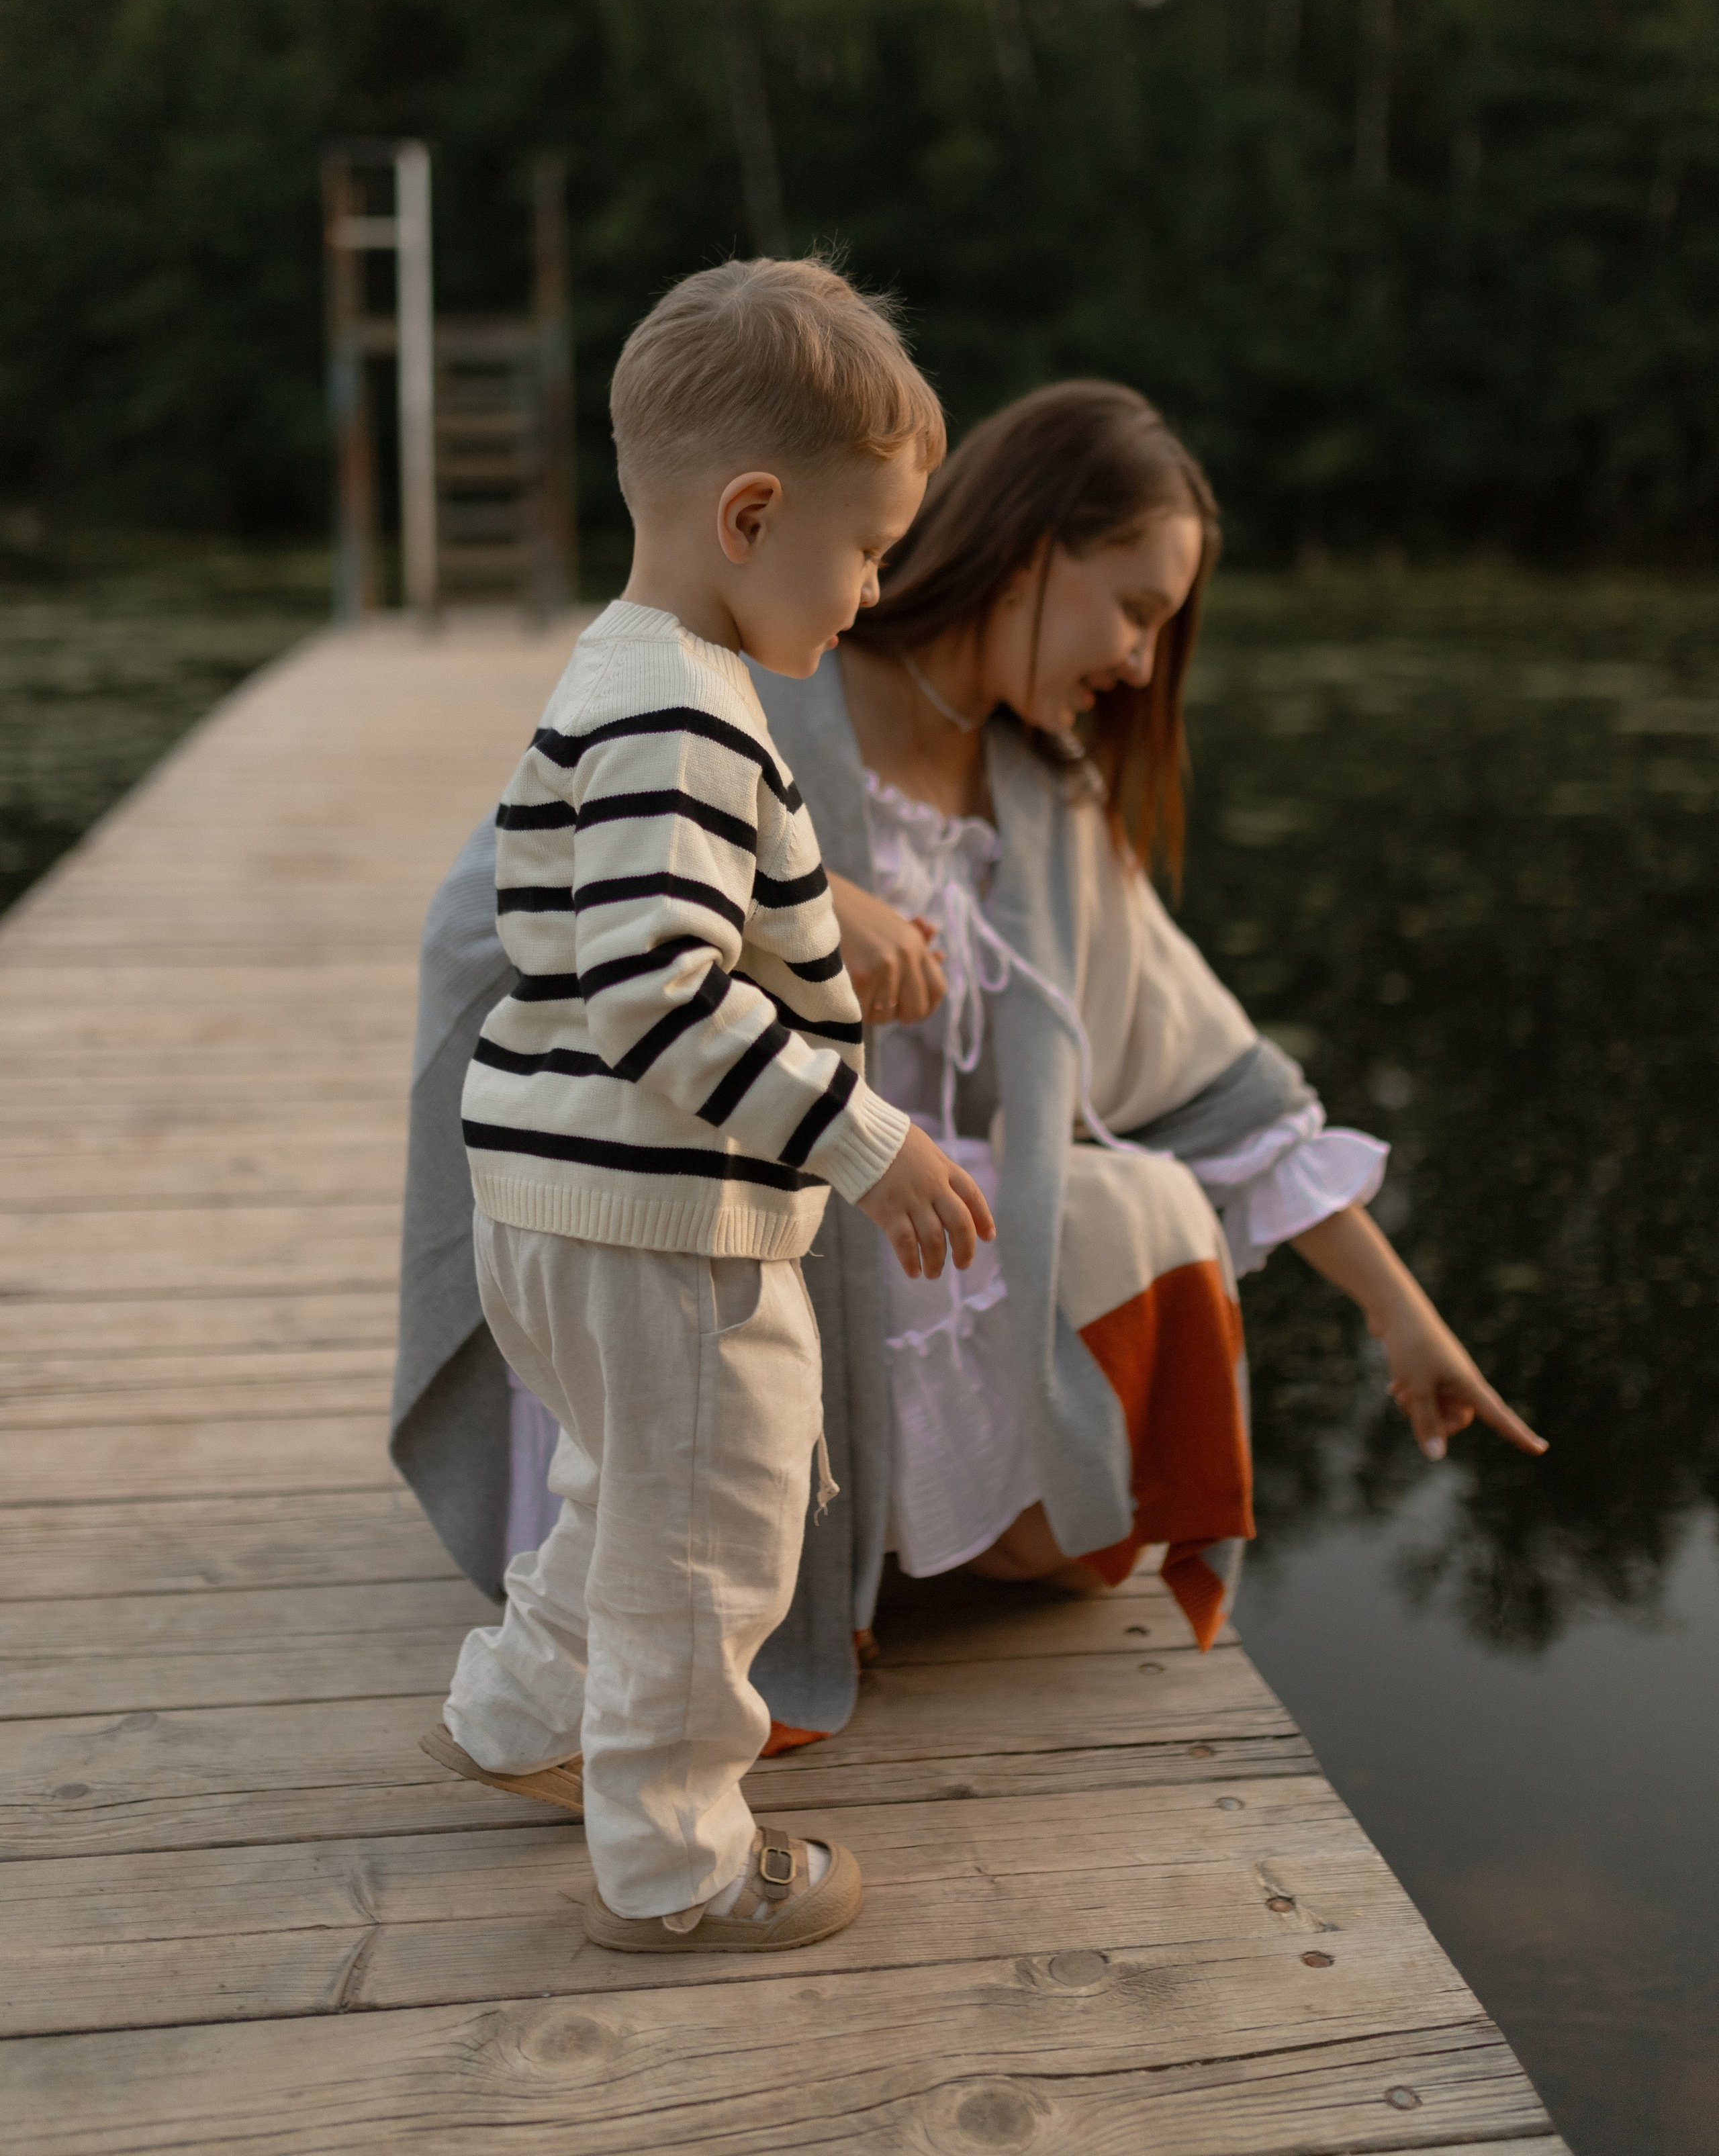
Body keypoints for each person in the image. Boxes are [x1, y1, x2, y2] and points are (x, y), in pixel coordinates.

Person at [392, 377, 1542, 1768]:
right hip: (707, 1223)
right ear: (1032, 546)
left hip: (900, 1225)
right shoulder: (761, 681)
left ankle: (856, 1548)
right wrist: (799, 901)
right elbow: (505, 915)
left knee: (1147, 1214)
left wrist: (1402, 1323)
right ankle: (716, 1706)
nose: (1136, 662)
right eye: (1132, 610)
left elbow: (1220, 1082)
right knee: (930, 1324)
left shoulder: (1047, 805)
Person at [418, 256, 992, 1957]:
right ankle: (671, 1863)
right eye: (866, 545)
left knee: (622, 1493)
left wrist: (829, 930)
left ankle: (520, 1718)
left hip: (559, 1207)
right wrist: (867, 1142)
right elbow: (658, 990)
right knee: (712, 1535)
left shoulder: (630, 669)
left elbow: (656, 925)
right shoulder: (681, 706)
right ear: (752, 513)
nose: (875, 588)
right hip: (658, 1221)